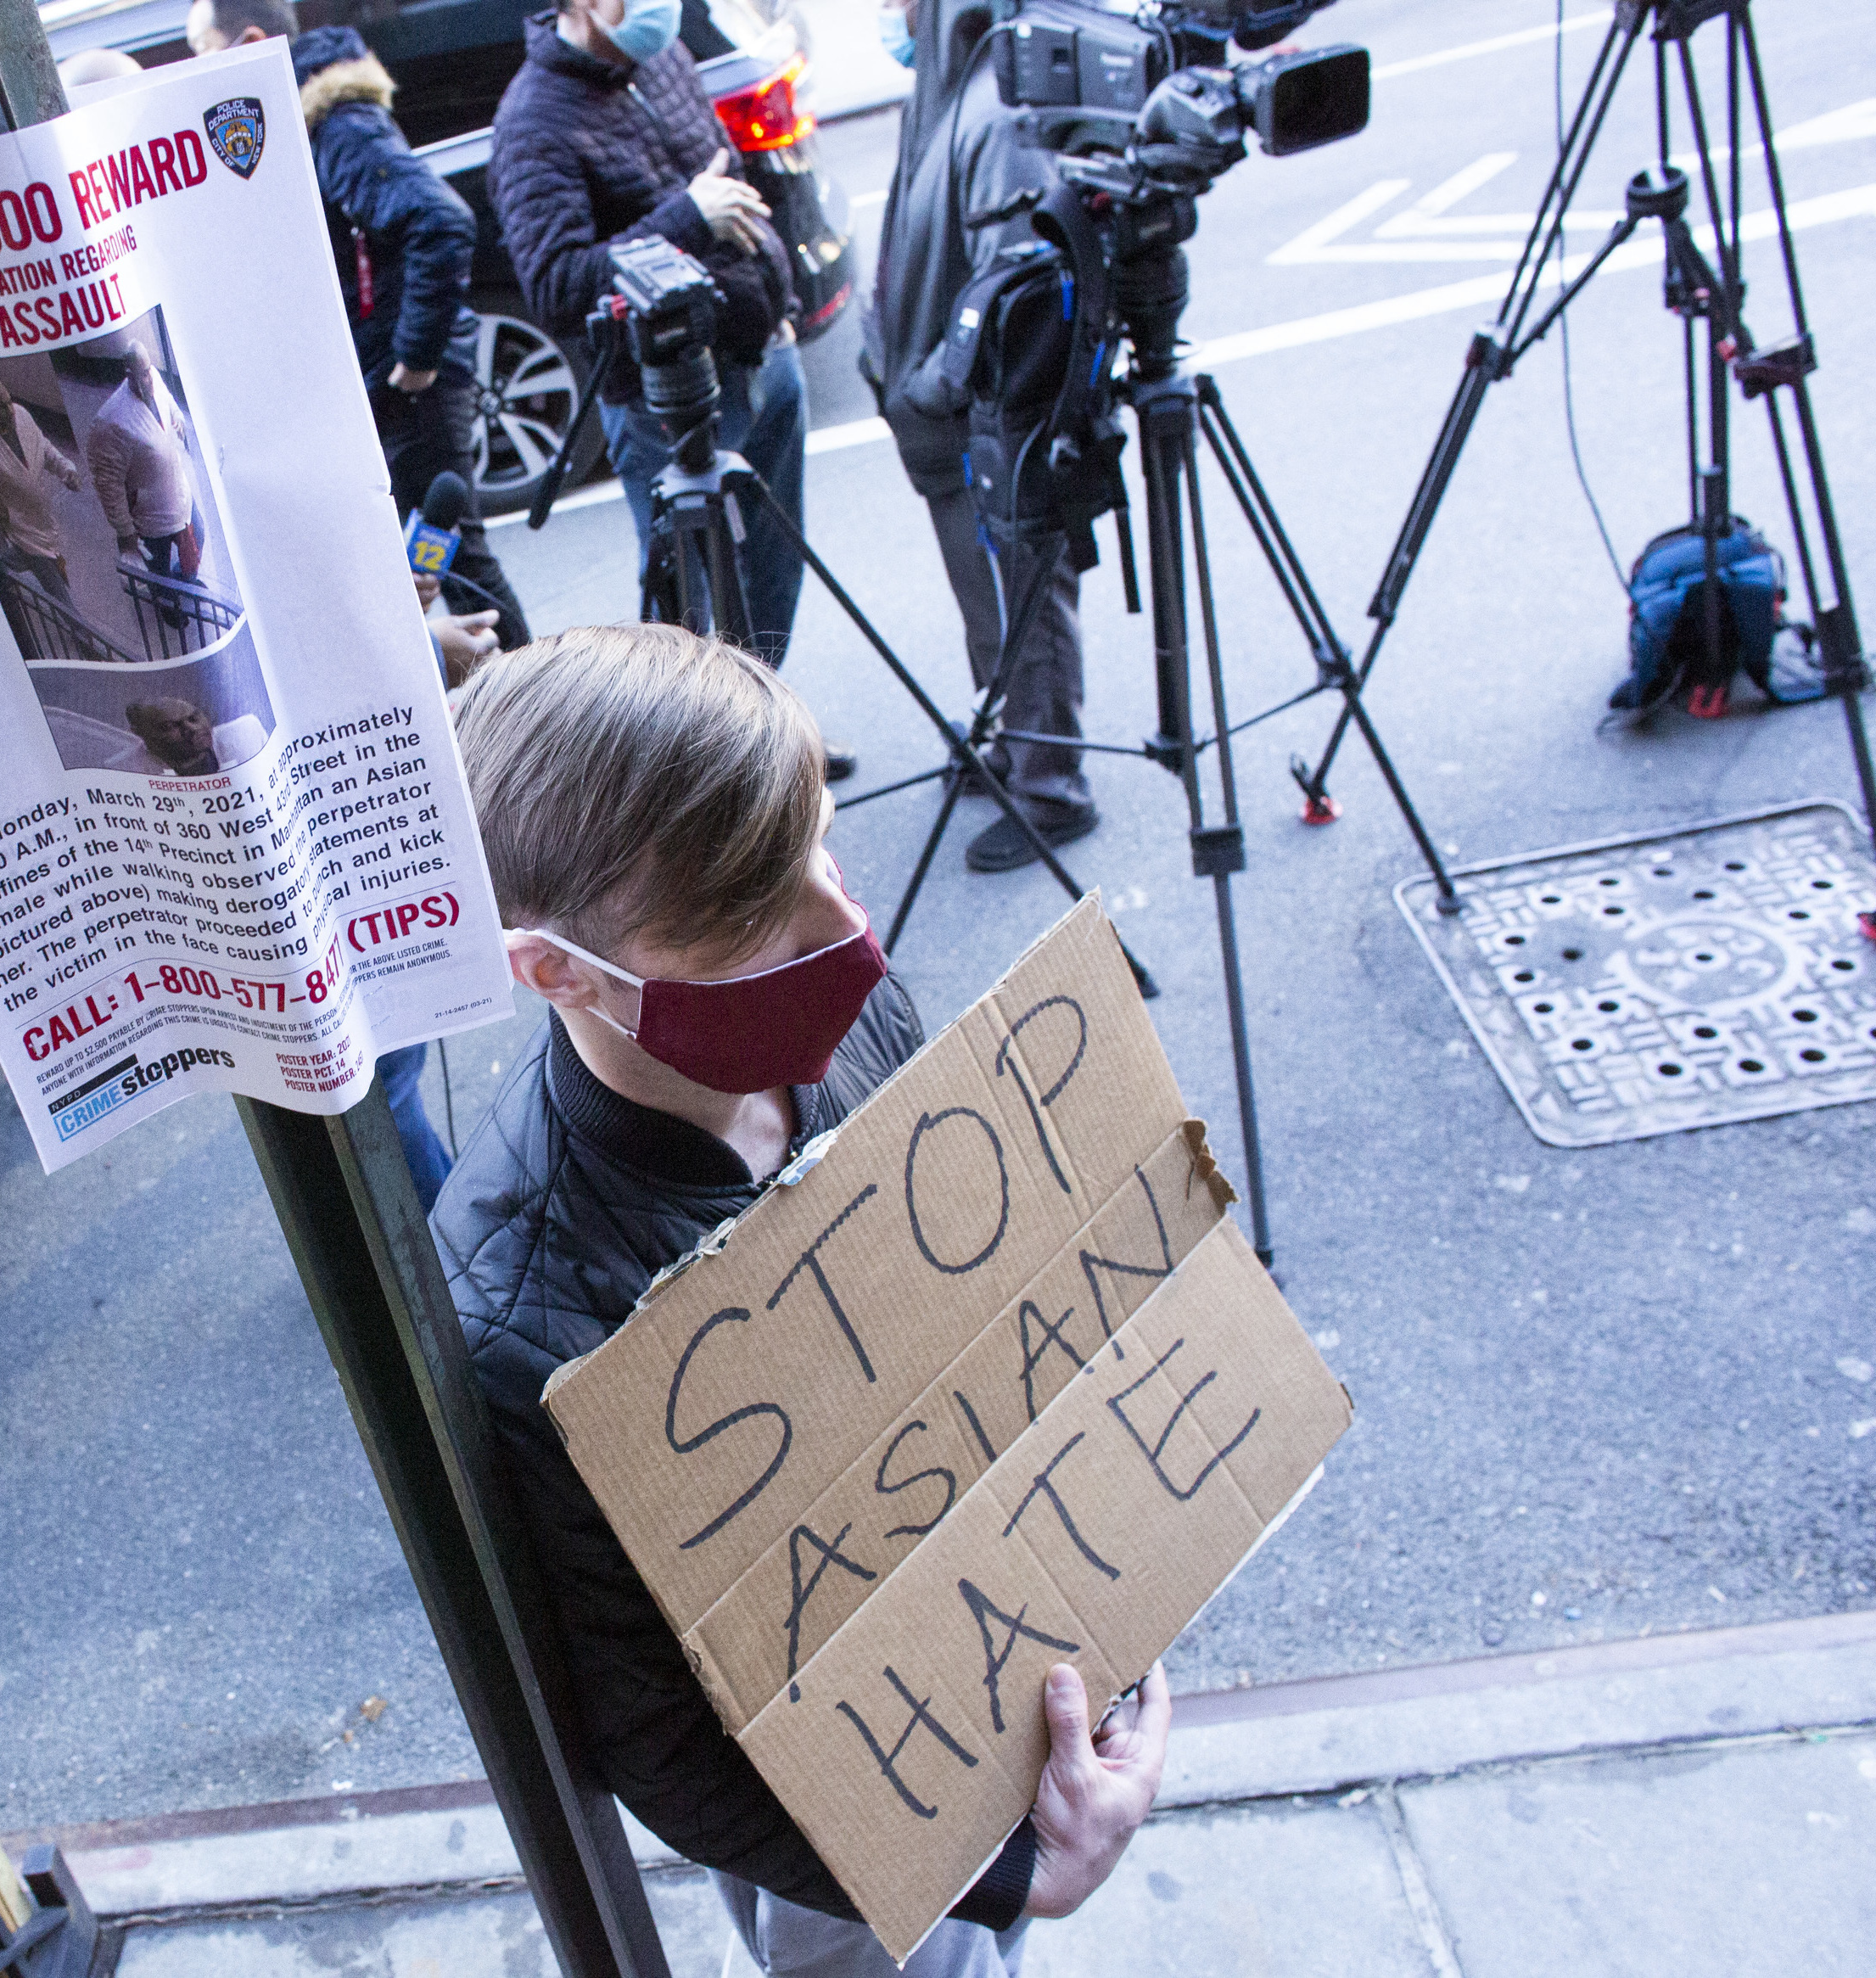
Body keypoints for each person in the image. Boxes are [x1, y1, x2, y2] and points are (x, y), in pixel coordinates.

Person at [434, 625, 1169, 1977]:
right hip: (831, 1798)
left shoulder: (847, 1021)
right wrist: (1005, 1870)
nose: (844, 931)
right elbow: (656, 1735)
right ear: (553, 969)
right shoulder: (522, 1319)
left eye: (818, 846)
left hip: (984, 1649)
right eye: (746, 915)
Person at [489, 0, 853, 780]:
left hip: (759, 353)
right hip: (659, 395)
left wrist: (781, 302)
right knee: (687, 612)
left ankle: (771, 739)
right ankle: (708, 777)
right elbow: (557, 285)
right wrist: (687, 217)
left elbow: (732, 181)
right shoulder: (532, 121)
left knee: (771, 566)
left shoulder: (662, 57)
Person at [188, 0, 531, 647]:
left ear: (251, 42)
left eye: (202, 51)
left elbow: (441, 219)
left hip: (413, 391)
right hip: (387, 380)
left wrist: (414, 357)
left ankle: (541, 712)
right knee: (429, 555)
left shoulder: (332, 122)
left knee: (454, 557)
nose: (195, 70)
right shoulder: (300, 122)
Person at [864, 0, 1098, 872]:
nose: (882, 14)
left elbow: (1013, 281)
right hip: (943, 416)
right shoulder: (944, 86)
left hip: (985, 421)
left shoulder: (996, 106)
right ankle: (1010, 747)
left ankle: (1051, 792)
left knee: (1024, 601)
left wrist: (931, 385)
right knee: (984, 596)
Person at [87, 342, 205, 586]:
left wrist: (177, 416)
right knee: (159, 574)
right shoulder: (111, 422)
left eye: (149, 372)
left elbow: (169, 401)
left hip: (180, 497)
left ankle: (183, 584)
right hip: (152, 519)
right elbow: (108, 485)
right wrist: (125, 531)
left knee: (198, 536)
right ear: (129, 375)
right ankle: (168, 602)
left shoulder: (154, 380)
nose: (149, 380)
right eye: (142, 375)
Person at [0, 373, 81, 605]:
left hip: (41, 519)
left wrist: (66, 470)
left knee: (16, 561)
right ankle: (80, 632)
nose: (9, 411)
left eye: (8, 402)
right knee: (53, 580)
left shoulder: (21, 413)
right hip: (20, 527)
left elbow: (42, 447)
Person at [123, 697, 220, 776]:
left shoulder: (231, 740)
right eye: (169, 726)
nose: (192, 729)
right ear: (140, 732)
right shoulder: (125, 770)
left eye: (193, 719)